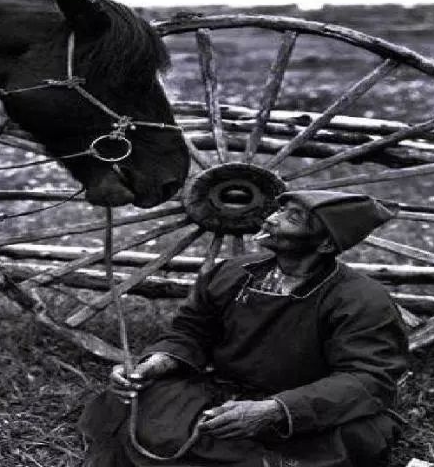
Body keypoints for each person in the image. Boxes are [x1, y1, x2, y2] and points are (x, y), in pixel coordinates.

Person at [79, 190, 409, 467]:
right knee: (137, 405)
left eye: (292, 218)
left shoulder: (362, 299)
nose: (271, 218)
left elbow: (369, 378)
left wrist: (274, 410)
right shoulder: (233, 273)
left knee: (349, 439)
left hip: (304, 409)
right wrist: (155, 365)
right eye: (281, 208)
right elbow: (191, 332)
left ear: (324, 245)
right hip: (224, 391)